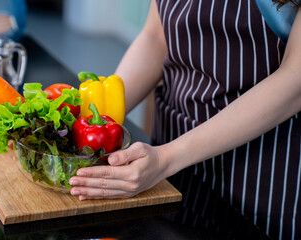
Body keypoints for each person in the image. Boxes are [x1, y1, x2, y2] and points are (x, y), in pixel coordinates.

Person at [69, 0, 301, 239]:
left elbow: (295, 80)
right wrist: (95, 118)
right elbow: (156, 38)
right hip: (168, 158)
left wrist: (166, 157)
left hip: (260, 173)